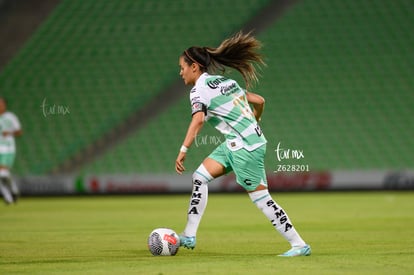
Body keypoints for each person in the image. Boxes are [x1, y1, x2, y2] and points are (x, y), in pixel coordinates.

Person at [175, 31, 311, 257]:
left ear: (195, 67)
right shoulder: (225, 82)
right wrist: (255, 120)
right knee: (200, 177)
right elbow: (259, 101)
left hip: (246, 147)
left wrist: (183, 150)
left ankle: (299, 244)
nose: (181, 72)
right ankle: (189, 234)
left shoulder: (198, 91)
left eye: (182, 67)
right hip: (236, 143)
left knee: (261, 198)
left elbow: (198, 119)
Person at [0, 97, 22, 204]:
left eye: (1, 103)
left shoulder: (10, 117)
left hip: (8, 149)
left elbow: (19, 132)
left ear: (5, 105)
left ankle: (13, 189)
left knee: (3, 173)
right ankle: (8, 196)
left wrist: (9, 133)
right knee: (1, 174)